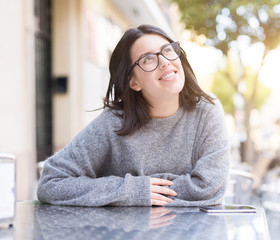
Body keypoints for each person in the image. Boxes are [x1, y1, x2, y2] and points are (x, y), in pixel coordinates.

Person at [37, 24, 230, 207]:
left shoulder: (207, 111)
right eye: (148, 59)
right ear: (133, 82)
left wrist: (152, 190)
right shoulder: (114, 122)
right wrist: (131, 190)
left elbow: (208, 188)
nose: (164, 62)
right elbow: (51, 182)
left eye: (168, 50)